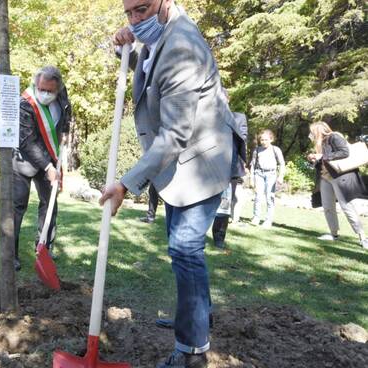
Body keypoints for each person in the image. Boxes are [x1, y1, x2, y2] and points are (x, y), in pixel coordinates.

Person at [107, 1, 240, 367]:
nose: (135, 20)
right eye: (128, 13)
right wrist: (127, 49)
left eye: (142, 9)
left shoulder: (182, 44)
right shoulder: (158, 36)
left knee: (184, 250)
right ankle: (194, 316)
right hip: (179, 167)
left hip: (201, 161)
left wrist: (126, 184)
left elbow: (176, 133)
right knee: (182, 252)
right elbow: (154, 78)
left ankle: (193, 349)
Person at [12, 65, 71, 271]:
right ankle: (12, 254)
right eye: (42, 89)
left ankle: (44, 248)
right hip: (24, 161)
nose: (45, 93)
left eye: (50, 91)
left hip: (51, 157)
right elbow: (26, 141)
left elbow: (66, 110)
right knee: (17, 206)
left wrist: (65, 130)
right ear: (36, 84)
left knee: (50, 205)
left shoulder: (61, 93)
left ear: (57, 88)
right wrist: (47, 166)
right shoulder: (25, 103)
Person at [307, 122, 367, 249]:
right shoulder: (320, 143)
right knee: (328, 207)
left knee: (347, 207)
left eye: (312, 132)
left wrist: (323, 156)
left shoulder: (334, 136)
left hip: (339, 177)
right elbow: (322, 162)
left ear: (318, 131)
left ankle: (363, 237)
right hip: (325, 177)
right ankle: (334, 234)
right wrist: (314, 159)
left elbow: (344, 152)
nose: (310, 135)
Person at [211, 89, 248, 248]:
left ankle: (219, 237)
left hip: (229, 167)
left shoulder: (238, 118)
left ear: (227, 99)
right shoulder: (205, 117)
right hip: (206, 167)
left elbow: (242, 138)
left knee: (224, 204)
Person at [249, 129, 285, 228]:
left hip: (271, 175)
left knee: (270, 197)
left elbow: (282, 163)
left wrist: (281, 176)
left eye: (266, 139)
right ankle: (256, 217)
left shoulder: (276, 149)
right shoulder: (257, 150)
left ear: (271, 139)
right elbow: (253, 165)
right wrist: (251, 178)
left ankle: (268, 220)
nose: (264, 142)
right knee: (258, 196)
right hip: (259, 174)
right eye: (262, 140)